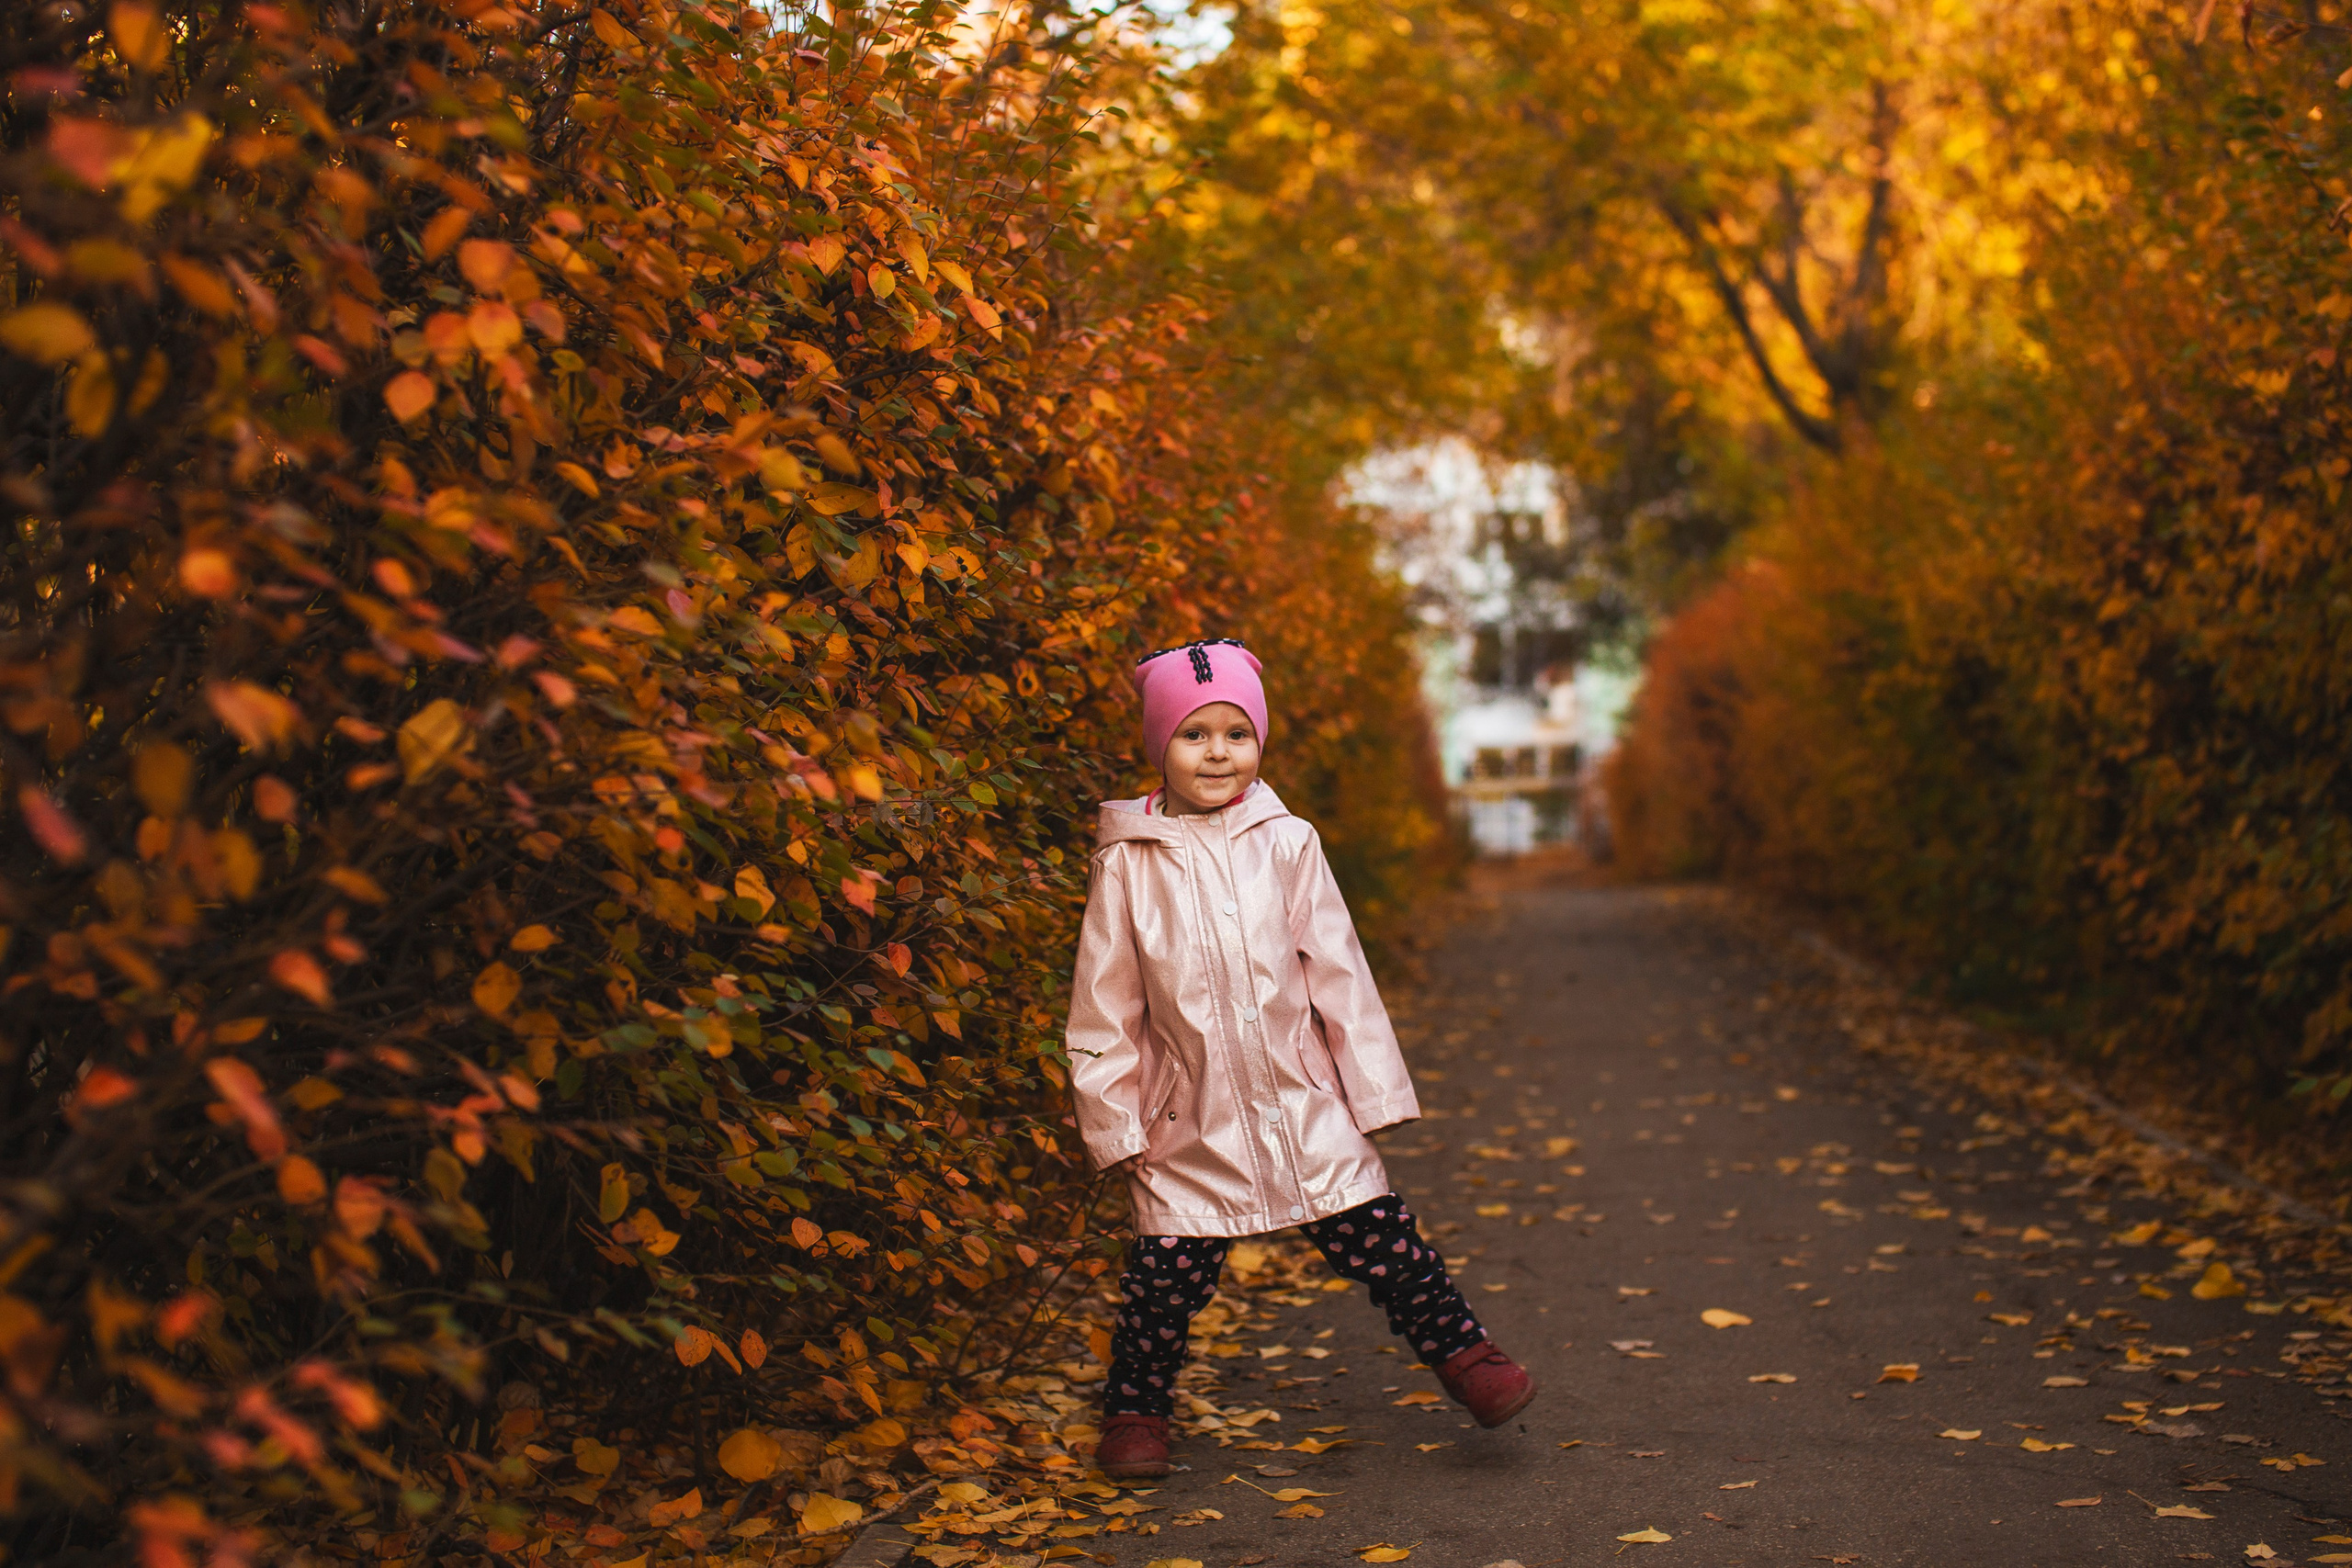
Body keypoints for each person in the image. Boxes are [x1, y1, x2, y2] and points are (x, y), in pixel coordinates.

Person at [1065, 637, 1537, 1481]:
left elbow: (1338, 971)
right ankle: (1136, 1413)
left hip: (1303, 1098)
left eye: (1235, 734)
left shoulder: (1288, 843)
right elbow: (1105, 1005)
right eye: (1194, 735)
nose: (1218, 753)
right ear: (1158, 744)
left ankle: (1468, 1359)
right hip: (1187, 1114)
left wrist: (1372, 1093)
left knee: (1388, 1244)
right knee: (1162, 1282)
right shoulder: (1126, 863)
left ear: (1259, 743)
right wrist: (1114, 1118)